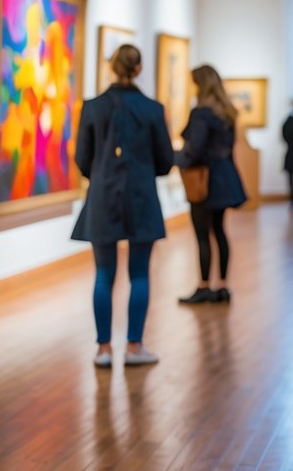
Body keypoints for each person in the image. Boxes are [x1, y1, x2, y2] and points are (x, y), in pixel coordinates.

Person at [71, 44, 174, 368]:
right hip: (141, 196)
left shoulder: (92, 107)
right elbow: (166, 162)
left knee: (103, 274)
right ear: (139, 68)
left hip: (102, 196)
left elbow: (82, 160)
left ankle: (103, 349)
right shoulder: (152, 109)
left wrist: (101, 174)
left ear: (111, 67)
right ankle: (134, 346)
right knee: (139, 274)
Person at [177, 65, 248, 304]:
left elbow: (195, 149)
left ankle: (204, 286)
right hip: (224, 177)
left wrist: (175, 159)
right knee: (219, 230)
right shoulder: (227, 113)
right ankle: (223, 286)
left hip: (205, 179)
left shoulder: (202, 114)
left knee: (202, 234)